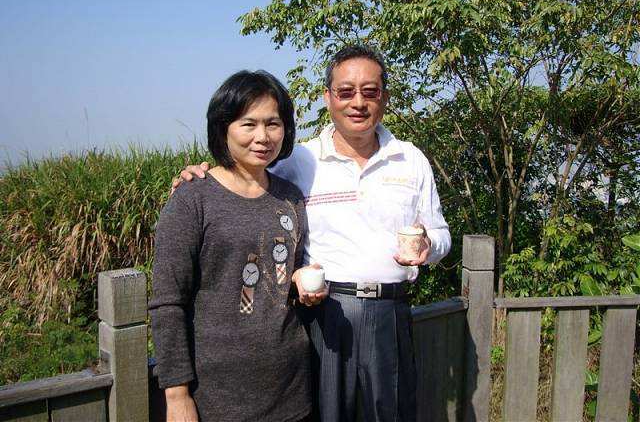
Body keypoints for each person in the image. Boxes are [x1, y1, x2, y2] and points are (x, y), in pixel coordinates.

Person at [175, 45, 451, 422]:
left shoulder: (410, 158)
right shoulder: (300, 159)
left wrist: (428, 244)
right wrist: (200, 176)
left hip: (391, 311)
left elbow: (441, 233)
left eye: (370, 92)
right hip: (324, 312)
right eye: (345, 92)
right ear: (328, 97)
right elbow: (245, 179)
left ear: (384, 97)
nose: (358, 102)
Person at [150, 70, 326, 422]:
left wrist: (302, 285)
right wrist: (177, 394)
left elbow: (281, 278)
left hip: (292, 391)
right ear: (223, 128)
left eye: (273, 124)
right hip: (217, 397)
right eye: (248, 124)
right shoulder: (193, 198)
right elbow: (168, 302)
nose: (263, 137)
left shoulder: (290, 197)